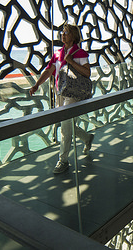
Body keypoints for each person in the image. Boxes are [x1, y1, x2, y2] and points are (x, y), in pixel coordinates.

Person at [29, 23, 94, 174]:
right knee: (67, 125)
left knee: (65, 129)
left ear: (74, 36)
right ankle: (87, 138)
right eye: (62, 32)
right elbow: (49, 70)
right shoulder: (58, 53)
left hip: (74, 95)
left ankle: (63, 160)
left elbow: (87, 73)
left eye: (66, 32)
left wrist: (71, 61)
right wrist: (36, 85)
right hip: (60, 93)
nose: (63, 34)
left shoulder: (80, 53)